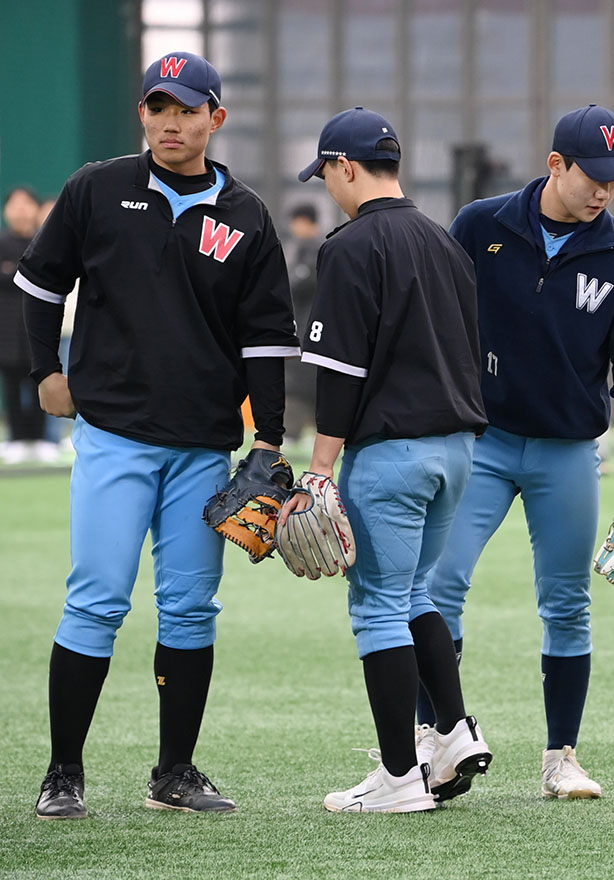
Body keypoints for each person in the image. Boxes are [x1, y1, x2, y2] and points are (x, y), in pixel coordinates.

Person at [17, 51, 299, 819]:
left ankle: (174, 772)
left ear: (217, 116)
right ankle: (63, 773)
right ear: (143, 114)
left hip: (205, 446)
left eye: (186, 108)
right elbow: (41, 284)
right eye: (157, 107)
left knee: (189, 610)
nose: (170, 122)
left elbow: (267, 338)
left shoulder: (246, 214)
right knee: (96, 602)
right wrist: (47, 370)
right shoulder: (97, 188)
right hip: (115, 435)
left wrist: (268, 441)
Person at [418, 103, 614, 799]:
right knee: (438, 589)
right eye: (594, 175)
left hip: (567, 451)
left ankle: (561, 757)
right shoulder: (480, 226)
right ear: (556, 164)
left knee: (566, 605)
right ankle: (433, 743)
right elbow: (430, 319)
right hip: (482, 443)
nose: (605, 191)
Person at [286, 107, 492, 814]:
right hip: (459, 449)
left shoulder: (348, 248)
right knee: (418, 595)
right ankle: (454, 733)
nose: (329, 187)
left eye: (328, 174)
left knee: (377, 608)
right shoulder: (445, 242)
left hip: (393, 453)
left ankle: (402, 779)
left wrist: (318, 467)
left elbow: (339, 372)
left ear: (345, 167)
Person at [0, 186, 56, 464]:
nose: (21, 210)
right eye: (15, 204)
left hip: (38, 330)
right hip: (7, 332)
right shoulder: (1, 243)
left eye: (26, 204)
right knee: (11, 385)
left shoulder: (45, 242)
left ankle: (41, 438)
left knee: (41, 381)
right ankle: (16, 439)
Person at [283, 203, 322, 439]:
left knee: (300, 382)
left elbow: (298, 285)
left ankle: (291, 434)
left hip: (308, 329)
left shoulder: (313, 248)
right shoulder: (310, 247)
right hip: (311, 328)